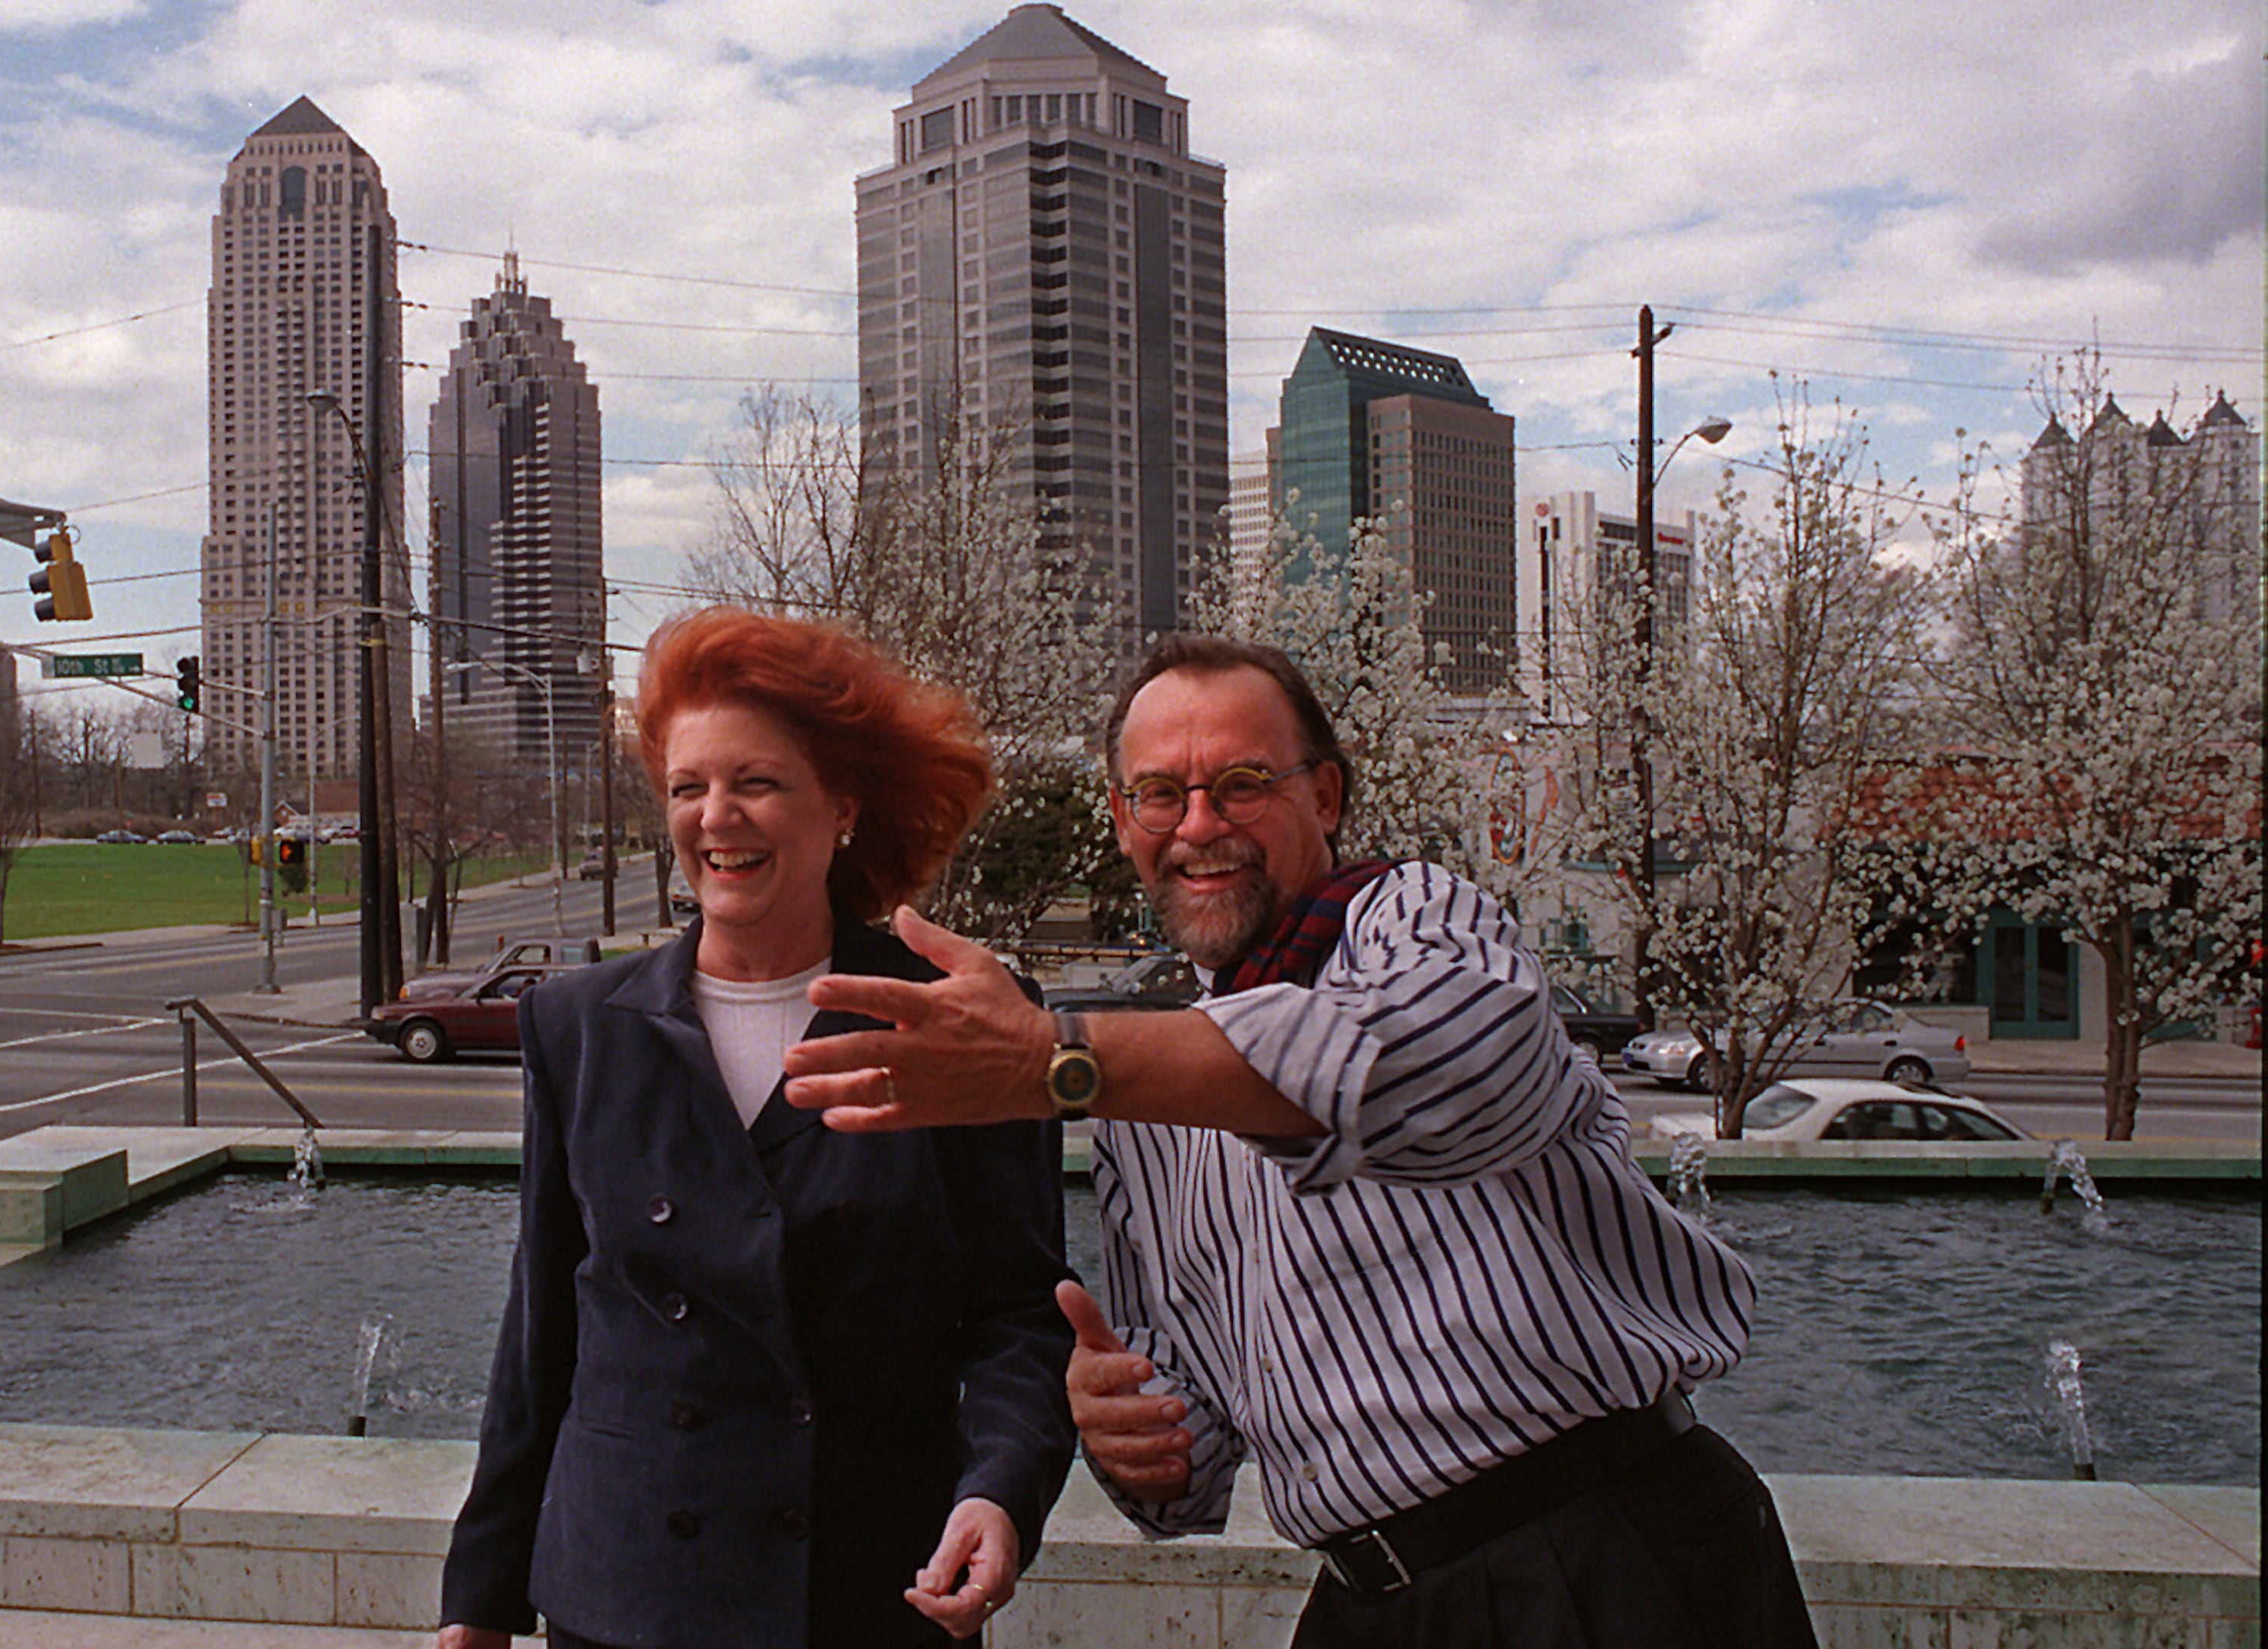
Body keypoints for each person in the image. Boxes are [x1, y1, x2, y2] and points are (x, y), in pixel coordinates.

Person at [784, 634, 1819, 1646]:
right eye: (1160, 794)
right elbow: (1193, 1438)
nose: (1200, 826)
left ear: (1324, 797)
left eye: (1241, 784)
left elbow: (1442, 1072)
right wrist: (1136, 1433)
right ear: (1121, 818)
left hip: (1598, 1556)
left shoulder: (1416, 920)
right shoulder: (1141, 1105)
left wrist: (1056, 1061)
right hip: (1373, 1594)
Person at [437, 608, 1076, 1649]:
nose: (717, 816)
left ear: (844, 809)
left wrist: (1001, 1492)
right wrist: (481, 1593)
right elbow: (543, 1328)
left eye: (759, 783)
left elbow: (1020, 1313)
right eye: (690, 787)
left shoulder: (948, 1016)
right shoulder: (576, 1025)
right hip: (622, 1595)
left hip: (868, 1591)